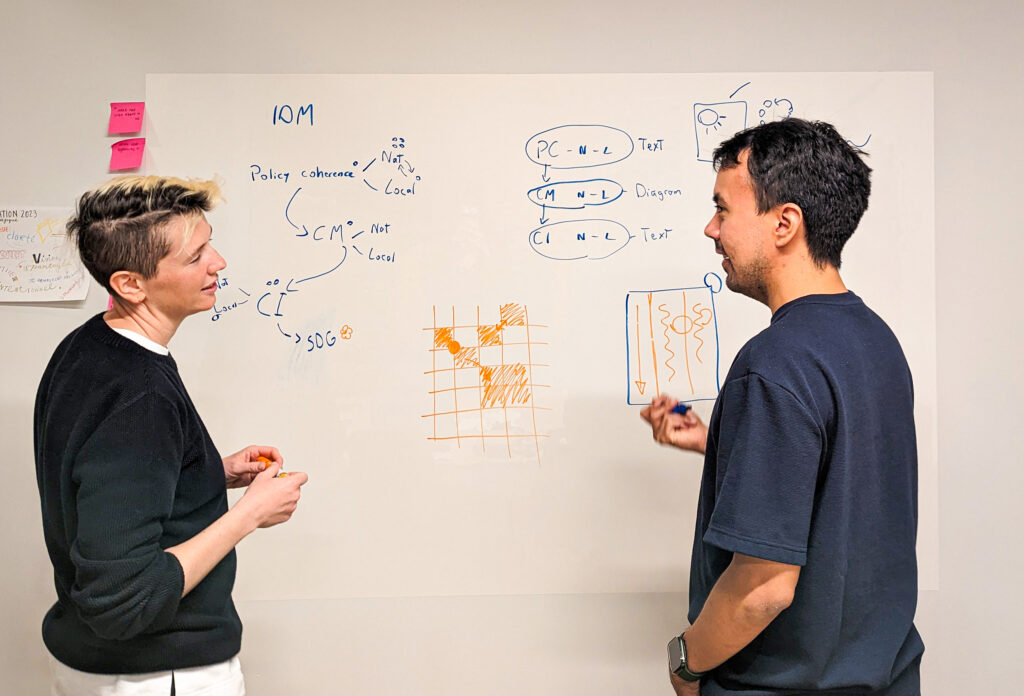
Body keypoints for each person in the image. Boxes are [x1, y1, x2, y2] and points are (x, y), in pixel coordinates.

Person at [642, 119, 923, 695]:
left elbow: (764, 588)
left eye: (722, 209)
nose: (711, 229)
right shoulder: (876, 340)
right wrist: (720, 442)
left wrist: (686, 662)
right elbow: (838, 479)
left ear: (784, 224)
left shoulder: (774, 362)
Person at [34, 175, 309, 695]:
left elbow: (104, 484)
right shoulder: (139, 394)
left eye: (210, 244)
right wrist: (250, 514)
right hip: (154, 676)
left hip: (107, 668)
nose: (218, 263)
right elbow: (121, 600)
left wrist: (204, 472)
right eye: (195, 256)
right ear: (130, 284)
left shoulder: (87, 347)